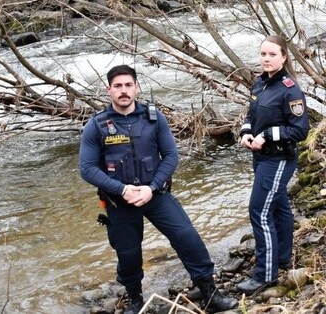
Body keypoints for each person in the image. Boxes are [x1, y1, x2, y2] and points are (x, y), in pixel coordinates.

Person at [79, 65, 237, 314]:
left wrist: (152, 188)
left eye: (128, 85)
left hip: (156, 194)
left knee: (187, 237)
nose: (123, 91)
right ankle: (134, 299)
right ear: (108, 90)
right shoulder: (97, 125)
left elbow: (171, 156)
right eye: (118, 86)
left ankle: (210, 293)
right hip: (120, 200)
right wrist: (122, 190)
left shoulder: (153, 118)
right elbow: (87, 169)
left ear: (136, 87)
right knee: (128, 253)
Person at [236, 35, 310, 295]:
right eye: (263, 54)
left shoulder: (290, 89)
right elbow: (251, 115)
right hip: (260, 156)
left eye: (272, 55)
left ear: (284, 57)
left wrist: (266, 136)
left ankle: (264, 276)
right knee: (278, 205)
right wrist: (246, 133)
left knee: (259, 211)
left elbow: (300, 131)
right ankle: (282, 259)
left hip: (279, 158)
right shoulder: (259, 84)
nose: (266, 59)